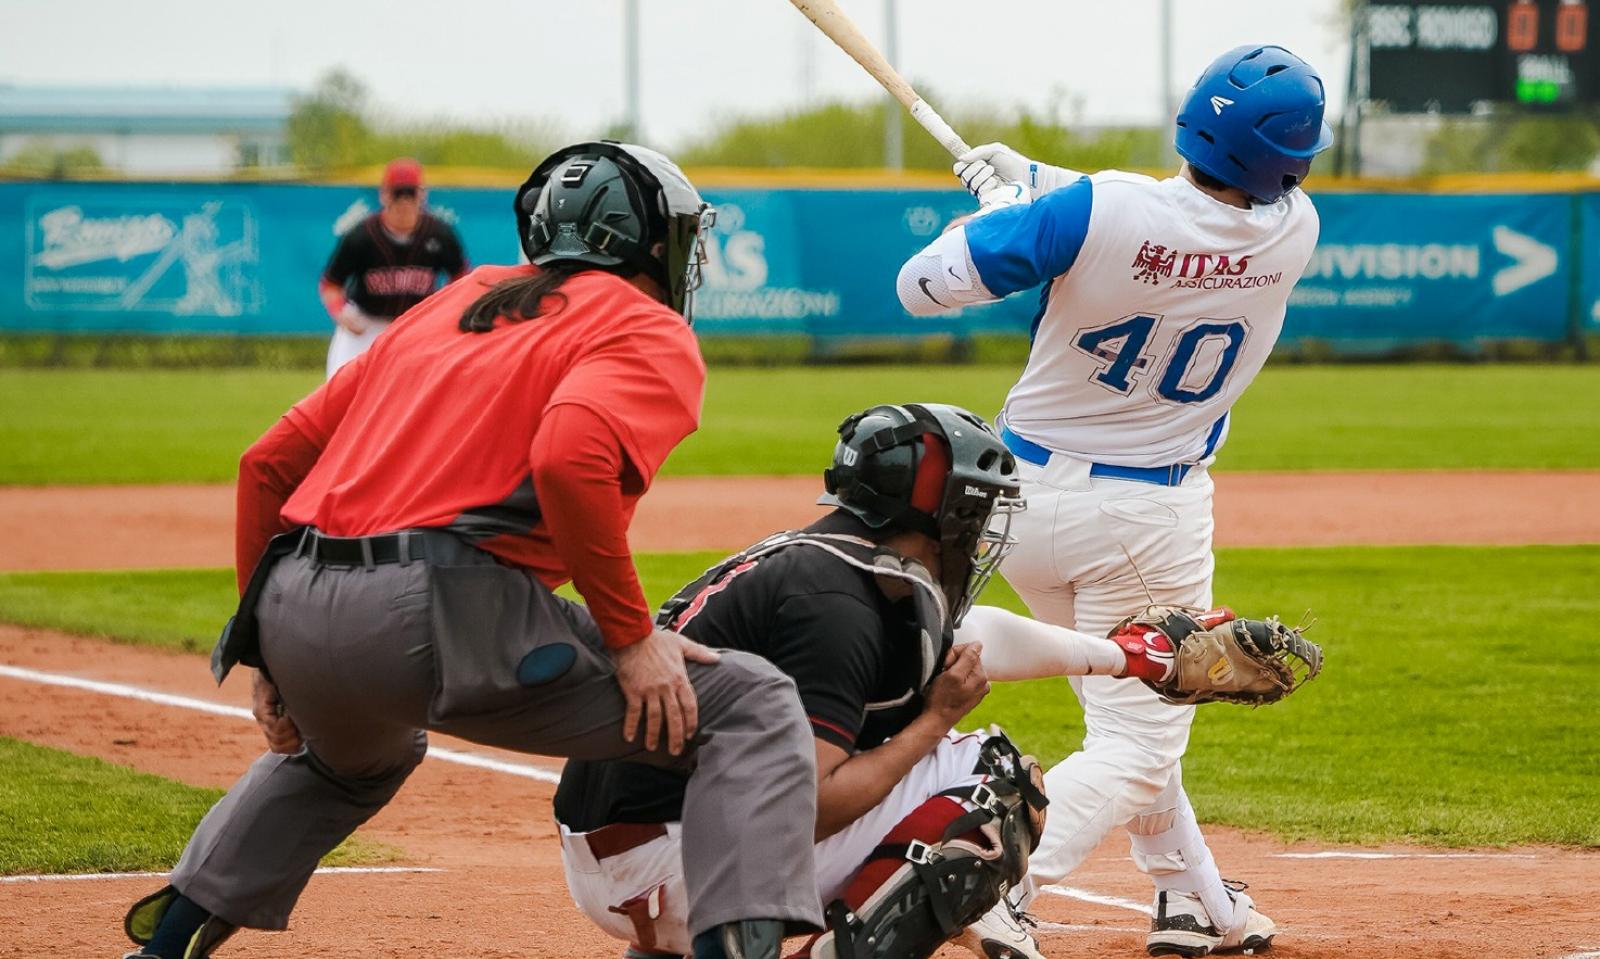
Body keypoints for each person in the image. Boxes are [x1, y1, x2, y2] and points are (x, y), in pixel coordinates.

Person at [118, 141, 820, 959]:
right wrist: (631, 639)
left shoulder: (461, 298)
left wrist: (266, 655)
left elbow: (268, 462)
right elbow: (570, 456)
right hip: (435, 612)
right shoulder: (645, 325)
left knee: (354, 756)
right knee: (754, 705)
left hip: (294, 602)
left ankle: (161, 948)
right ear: (650, 242)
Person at [894, 45, 1333, 957]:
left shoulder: (1094, 210)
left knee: (1134, 721)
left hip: (1015, 507)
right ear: (1290, 157)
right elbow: (1153, 213)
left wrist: (1009, 214)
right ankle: (1002, 880)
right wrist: (1034, 188)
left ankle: (1194, 902)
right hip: (1146, 519)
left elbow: (922, 284)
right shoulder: (1295, 228)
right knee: (1139, 745)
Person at [553, 403, 1206, 959]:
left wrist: (1128, 658)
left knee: (869, 747)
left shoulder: (821, 558)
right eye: (973, 512)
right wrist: (933, 722)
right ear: (937, 511)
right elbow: (806, 806)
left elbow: (980, 639)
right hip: (669, 862)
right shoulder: (840, 604)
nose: (978, 536)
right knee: (997, 787)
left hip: (625, 841)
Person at [318, 157, 468, 378]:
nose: (404, 201)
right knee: (339, 386)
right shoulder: (362, 236)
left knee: (427, 390)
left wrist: (446, 311)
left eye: (411, 192)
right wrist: (340, 312)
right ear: (383, 195)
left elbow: (462, 277)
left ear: (422, 195)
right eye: (398, 193)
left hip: (417, 326)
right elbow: (331, 284)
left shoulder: (440, 234)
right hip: (366, 323)